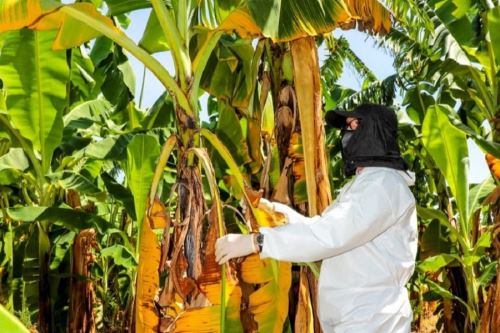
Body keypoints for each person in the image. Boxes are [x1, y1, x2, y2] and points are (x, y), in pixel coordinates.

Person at [215, 104, 418, 333]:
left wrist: (257, 242)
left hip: (373, 321)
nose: (348, 134)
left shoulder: (383, 185)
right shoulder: (366, 185)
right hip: (356, 320)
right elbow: (320, 228)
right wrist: (273, 210)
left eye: (355, 125)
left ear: (375, 132)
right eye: (347, 127)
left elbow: (331, 235)